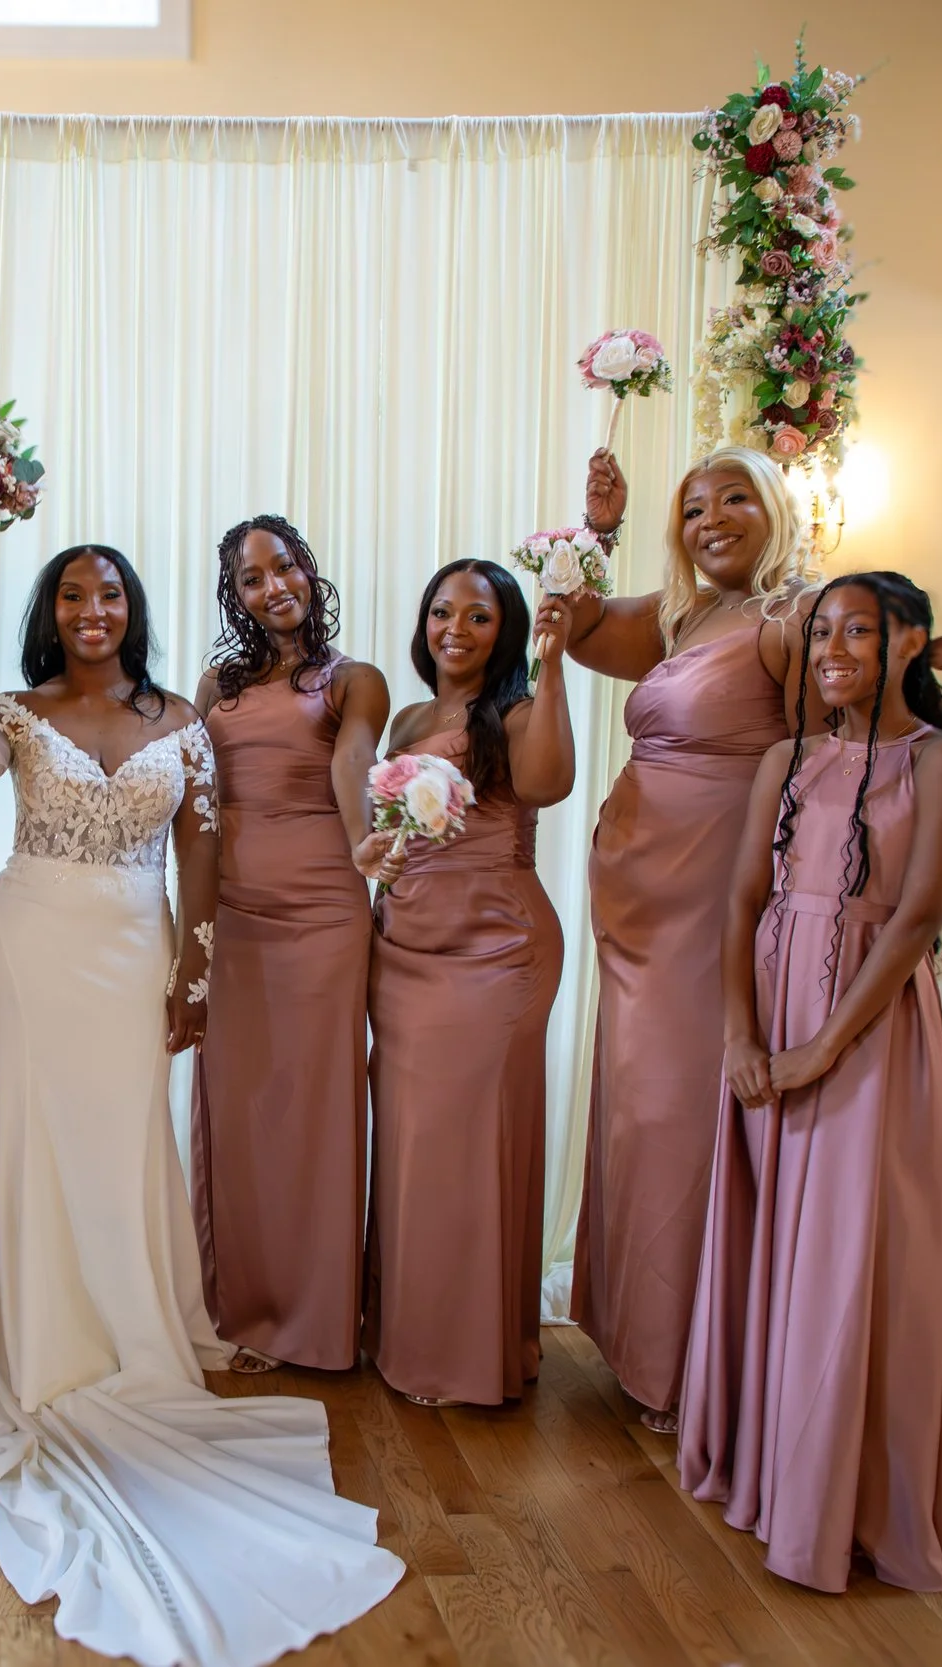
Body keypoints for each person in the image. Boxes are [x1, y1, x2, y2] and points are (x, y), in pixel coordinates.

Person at [0, 542, 403, 1667]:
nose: (93, 609)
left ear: (134, 609)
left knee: (125, 1145)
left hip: (136, 948)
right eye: (73, 593)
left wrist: (196, 964)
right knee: (30, 1144)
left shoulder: (186, 712)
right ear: (51, 610)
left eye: (110, 592)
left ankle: (132, 1331)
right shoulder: (17, 709)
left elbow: (202, 842)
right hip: (31, 942)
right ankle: (42, 1344)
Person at [679, 570, 942, 1593]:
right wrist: (739, 1035)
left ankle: (848, 1498)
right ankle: (771, 1466)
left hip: (867, 1021)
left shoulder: (941, 762)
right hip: (770, 1002)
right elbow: (737, 903)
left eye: (858, 630)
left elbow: (913, 918)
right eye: (821, 630)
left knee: (847, 1255)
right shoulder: (784, 757)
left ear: (909, 642)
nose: (833, 648)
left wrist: (821, 1049)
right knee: (774, 1237)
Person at [543, 445, 814, 1431]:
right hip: (636, 905)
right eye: (693, 505)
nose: (711, 518)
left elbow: (824, 756)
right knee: (632, 1111)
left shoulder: (794, 617)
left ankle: (693, 1360)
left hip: (711, 899)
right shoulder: (688, 614)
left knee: (678, 1118)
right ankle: (635, 1336)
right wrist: (598, 533)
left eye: (735, 498)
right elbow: (573, 631)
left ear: (775, 508)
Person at [362, 559, 573, 1409]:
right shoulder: (411, 717)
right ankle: (415, 1330)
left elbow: (550, 784)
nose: (455, 628)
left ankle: (472, 1350)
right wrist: (375, 863)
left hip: (496, 952)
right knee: (413, 1146)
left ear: (506, 630)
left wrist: (554, 665)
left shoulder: (516, 712)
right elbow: (391, 834)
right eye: (441, 611)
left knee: (472, 1145)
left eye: (478, 616)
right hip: (407, 948)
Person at [188, 515, 390, 1375]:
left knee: (315, 1111)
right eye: (250, 577)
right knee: (241, 1112)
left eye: (284, 566)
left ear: (310, 569)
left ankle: (317, 1318)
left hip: (322, 915)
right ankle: (246, 1308)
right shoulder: (216, 685)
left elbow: (352, 766)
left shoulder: (356, 680)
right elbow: (193, 801)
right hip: (232, 916)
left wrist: (367, 847)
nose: (272, 586)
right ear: (235, 596)